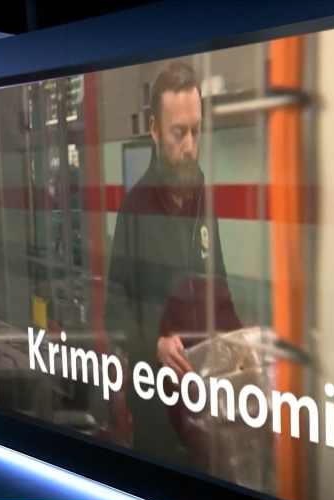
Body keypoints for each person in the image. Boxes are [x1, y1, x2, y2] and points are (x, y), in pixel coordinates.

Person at [104, 61, 242, 466]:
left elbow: (219, 293)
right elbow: (114, 309)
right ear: (154, 130)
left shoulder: (204, 201)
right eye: (178, 133)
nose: (190, 145)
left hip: (204, 406)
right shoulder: (135, 208)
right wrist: (154, 345)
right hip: (157, 410)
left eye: (196, 131)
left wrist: (243, 343)